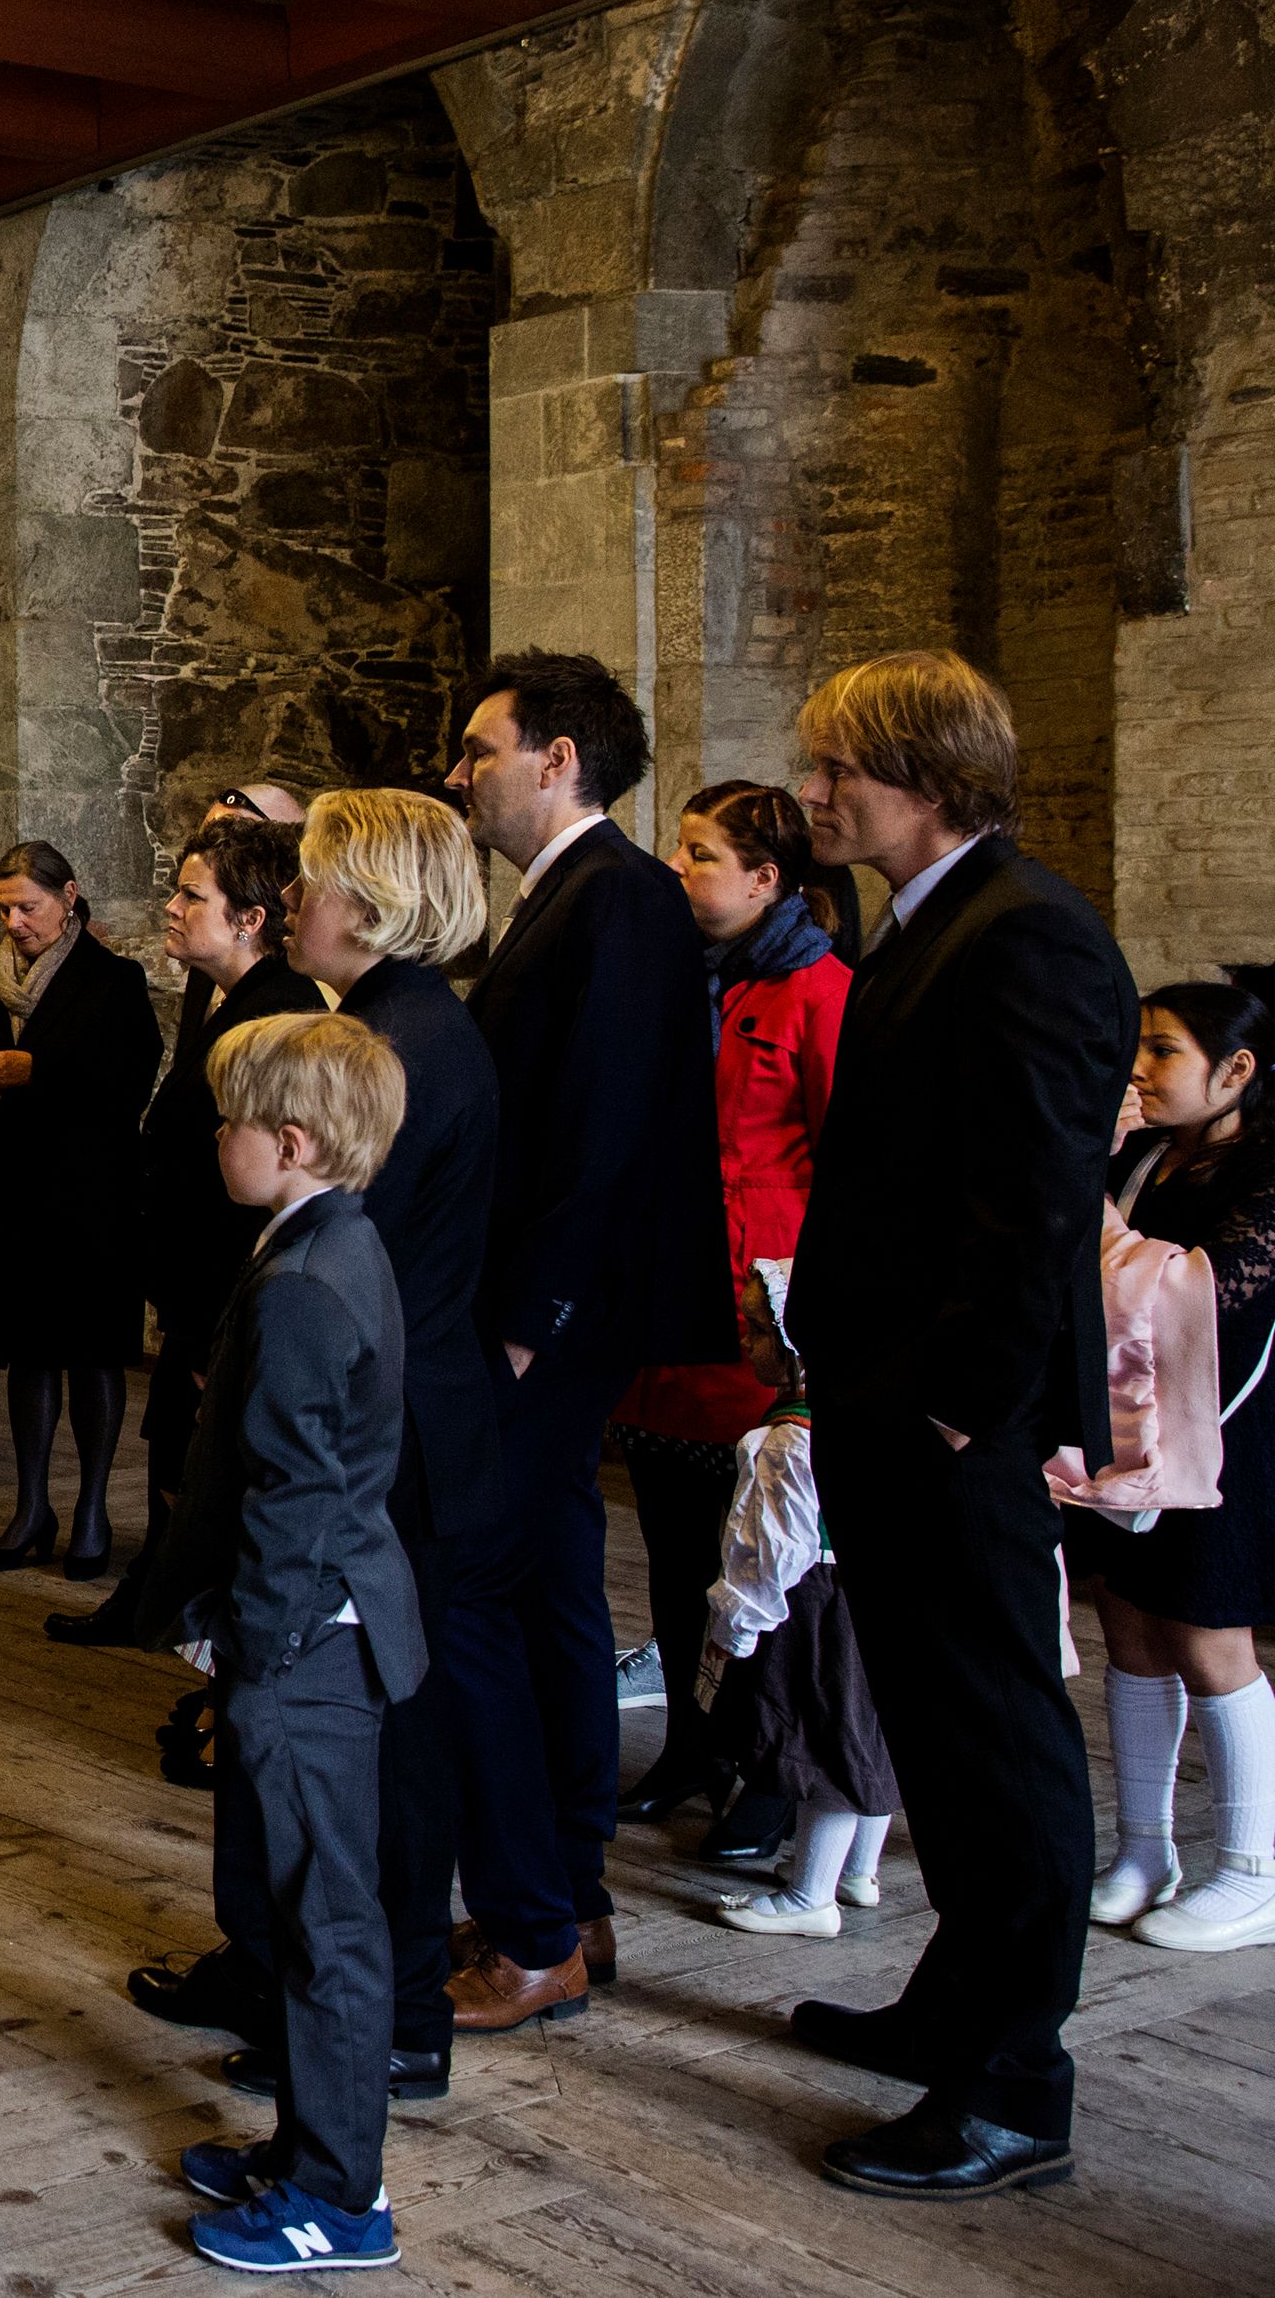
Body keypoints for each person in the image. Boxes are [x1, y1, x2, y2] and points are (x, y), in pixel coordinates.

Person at [783, 650, 1135, 2198]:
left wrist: (948, 1404)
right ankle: (955, 2003)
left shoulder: (1030, 935)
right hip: (892, 1402)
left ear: (921, 770)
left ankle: (1014, 2082)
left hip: (950, 1423)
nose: (812, 794)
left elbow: (1037, 1205)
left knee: (996, 1735)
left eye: (834, 766)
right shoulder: (932, 922)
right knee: (932, 1720)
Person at [125, 791, 497, 2105]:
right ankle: (277, 1962)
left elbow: (353, 1275)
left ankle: (380, 2011)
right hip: (333, 1415)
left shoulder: (403, 1044)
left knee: (371, 1756)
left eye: (315, 881)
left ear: (377, 901)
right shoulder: (367, 1023)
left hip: (375, 1441)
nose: (291, 903)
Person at [436, 651, 734, 2032]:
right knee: (553, 1590)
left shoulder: (616, 898)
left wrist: (522, 1327)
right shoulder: (573, 898)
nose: (460, 772)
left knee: (474, 1599)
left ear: (558, 760)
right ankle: (572, 1893)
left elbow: (599, 1136)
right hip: (553, 1320)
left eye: (479, 749)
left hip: (554, 1322)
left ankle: (534, 1928)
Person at [140, 1010, 423, 2276]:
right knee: (317, 1913)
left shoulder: (308, 1280)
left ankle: (335, 2196)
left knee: (327, 1925)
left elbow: (297, 1499)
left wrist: (250, 1649)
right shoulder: (328, 1238)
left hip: (307, 1642)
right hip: (317, 1630)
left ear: (291, 1141)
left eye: (231, 1121)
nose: (217, 1138)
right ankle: (304, 2147)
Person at [610, 783, 853, 1851]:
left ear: (766, 878)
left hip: (762, 1312)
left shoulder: (819, 990)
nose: (677, 866)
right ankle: (693, 1743)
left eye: (700, 852)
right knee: (672, 1544)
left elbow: (848, 1162)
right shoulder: (675, 980)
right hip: (669, 1297)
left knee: (759, 1554)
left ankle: (767, 1766)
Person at [55, 817, 322, 1649]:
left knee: (205, 1468)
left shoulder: (278, 1011)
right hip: (194, 1289)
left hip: (227, 1290)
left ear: (249, 918)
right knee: (178, 1460)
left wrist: (214, 1321)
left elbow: (258, 1192)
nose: (170, 907)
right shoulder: (220, 999)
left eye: (190, 894)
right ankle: (156, 1598)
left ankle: (200, 1625)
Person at [1087, 981, 1275, 1953]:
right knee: (1127, 1618)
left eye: (1162, 1051)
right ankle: (1143, 1846)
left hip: (1225, 1435)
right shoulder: (1146, 1155)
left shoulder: (1265, 1171)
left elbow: (1207, 1296)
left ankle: (1253, 1871)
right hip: (1124, 1420)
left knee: (1208, 1636)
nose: (1139, 1070)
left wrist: (1097, 1221)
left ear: (1235, 1069)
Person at [0, 839, 165, 1577]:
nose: (16, 921)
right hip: (11, 1194)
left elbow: (131, 1081)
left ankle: (92, 1507)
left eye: (28, 905)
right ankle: (32, 1504)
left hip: (91, 1194)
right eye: (4, 908)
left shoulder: (113, 980)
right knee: (27, 1353)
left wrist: (41, 1071)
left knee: (91, 1353)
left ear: (69, 896)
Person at [699, 1261, 904, 1942]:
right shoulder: (873, 1407)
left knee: (824, 1744)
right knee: (868, 1730)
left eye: (759, 1332)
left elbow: (773, 1543)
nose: (748, 1344)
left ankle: (810, 1894)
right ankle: (859, 1872)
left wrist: (739, 1617)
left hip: (813, 1601)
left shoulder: (792, 1437)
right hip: (872, 1588)